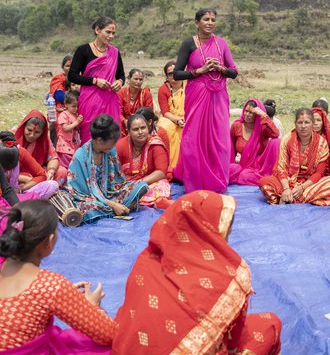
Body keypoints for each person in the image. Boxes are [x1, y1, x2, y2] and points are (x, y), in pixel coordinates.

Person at [113, 190, 282, 355]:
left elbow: (126, 319)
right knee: (269, 324)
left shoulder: (144, 264)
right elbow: (232, 342)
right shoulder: (230, 275)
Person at [0, 200, 117, 352]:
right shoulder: (51, 286)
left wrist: (66, 298)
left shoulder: (47, 287)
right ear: (49, 242)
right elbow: (109, 333)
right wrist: (92, 306)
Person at [173, 9, 238, 193]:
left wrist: (220, 68)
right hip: (197, 96)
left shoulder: (221, 44)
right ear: (197, 23)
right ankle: (195, 181)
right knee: (194, 138)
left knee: (219, 139)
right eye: (205, 19)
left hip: (218, 97)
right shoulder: (189, 44)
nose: (210, 23)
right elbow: (177, 73)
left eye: (213, 20)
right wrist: (200, 71)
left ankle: (216, 181)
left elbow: (234, 71)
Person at [66, 115, 148, 223]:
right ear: (99, 140)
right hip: (91, 199)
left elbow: (118, 181)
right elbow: (78, 193)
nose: (113, 146)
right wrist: (112, 204)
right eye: (111, 144)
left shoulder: (110, 150)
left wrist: (113, 198)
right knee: (89, 209)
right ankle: (115, 209)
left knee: (141, 186)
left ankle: (114, 209)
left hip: (110, 193)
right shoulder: (80, 157)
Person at [258, 108, 330, 206]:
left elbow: (319, 173)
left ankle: (286, 198)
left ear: (312, 123)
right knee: (264, 182)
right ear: (295, 124)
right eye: (300, 122)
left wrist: (302, 188)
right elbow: (281, 168)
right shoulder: (287, 140)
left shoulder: (321, 143)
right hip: (288, 181)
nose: (303, 126)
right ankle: (292, 196)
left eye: (307, 122)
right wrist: (286, 188)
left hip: (310, 184)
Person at [69, 16, 125, 144]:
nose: (111, 36)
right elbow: (72, 76)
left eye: (113, 33)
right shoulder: (83, 51)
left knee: (111, 135)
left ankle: (110, 163)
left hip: (110, 100)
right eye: (108, 32)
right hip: (89, 101)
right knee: (90, 135)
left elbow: (121, 74)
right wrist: (95, 81)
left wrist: (120, 82)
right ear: (98, 30)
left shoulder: (115, 53)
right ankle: (89, 163)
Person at [116, 114, 171, 209]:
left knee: (160, 186)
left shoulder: (155, 144)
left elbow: (161, 172)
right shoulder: (120, 145)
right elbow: (114, 171)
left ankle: (138, 200)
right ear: (129, 131)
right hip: (127, 182)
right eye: (136, 129)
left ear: (148, 128)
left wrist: (140, 183)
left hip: (150, 181)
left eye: (143, 128)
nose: (140, 132)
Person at [229, 99, 280, 186]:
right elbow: (231, 150)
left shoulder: (262, 127)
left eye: (251, 113)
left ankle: (268, 178)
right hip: (243, 166)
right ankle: (264, 181)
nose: (247, 115)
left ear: (257, 115)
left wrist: (264, 115)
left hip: (260, 167)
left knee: (276, 142)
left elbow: (276, 134)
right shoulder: (236, 126)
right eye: (246, 111)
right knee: (233, 169)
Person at [14, 110, 67, 186]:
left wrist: (51, 171)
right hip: (17, 175)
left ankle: (40, 187)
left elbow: (53, 158)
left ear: (42, 132)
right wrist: (26, 179)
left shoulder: (44, 141)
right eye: (29, 130)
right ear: (24, 126)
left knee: (62, 172)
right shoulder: (12, 137)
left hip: (38, 173)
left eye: (37, 132)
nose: (32, 135)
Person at [0, 132, 58, 200]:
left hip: (15, 193)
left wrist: (20, 189)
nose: (32, 135)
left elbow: (41, 175)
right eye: (4, 169)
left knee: (52, 185)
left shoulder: (20, 152)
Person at [157, 60, 185, 168]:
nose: (174, 75)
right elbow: (165, 112)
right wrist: (177, 120)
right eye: (170, 74)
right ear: (167, 76)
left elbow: (194, 106)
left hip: (188, 117)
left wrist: (186, 118)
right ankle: (171, 166)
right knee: (164, 128)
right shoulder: (163, 89)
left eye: (176, 72)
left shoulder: (189, 84)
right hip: (170, 119)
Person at [118, 68, 153, 137]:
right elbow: (118, 112)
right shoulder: (121, 93)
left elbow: (149, 111)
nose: (138, 82)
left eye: (140, 79)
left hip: (142, 122)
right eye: (135, 79)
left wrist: (137, 122)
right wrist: (125, 121)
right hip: (124, 123)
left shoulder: (146, 93)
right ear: (129, 79)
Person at [55, 90, 83, 169]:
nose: (76, 108)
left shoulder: (75, 115)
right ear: (66, 104)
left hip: (73, 146)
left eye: (77, 106)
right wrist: (77, 122)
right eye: (73, 106)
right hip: (65, 147)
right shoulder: (63, 115)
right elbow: (65, 128)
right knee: (66, 167)